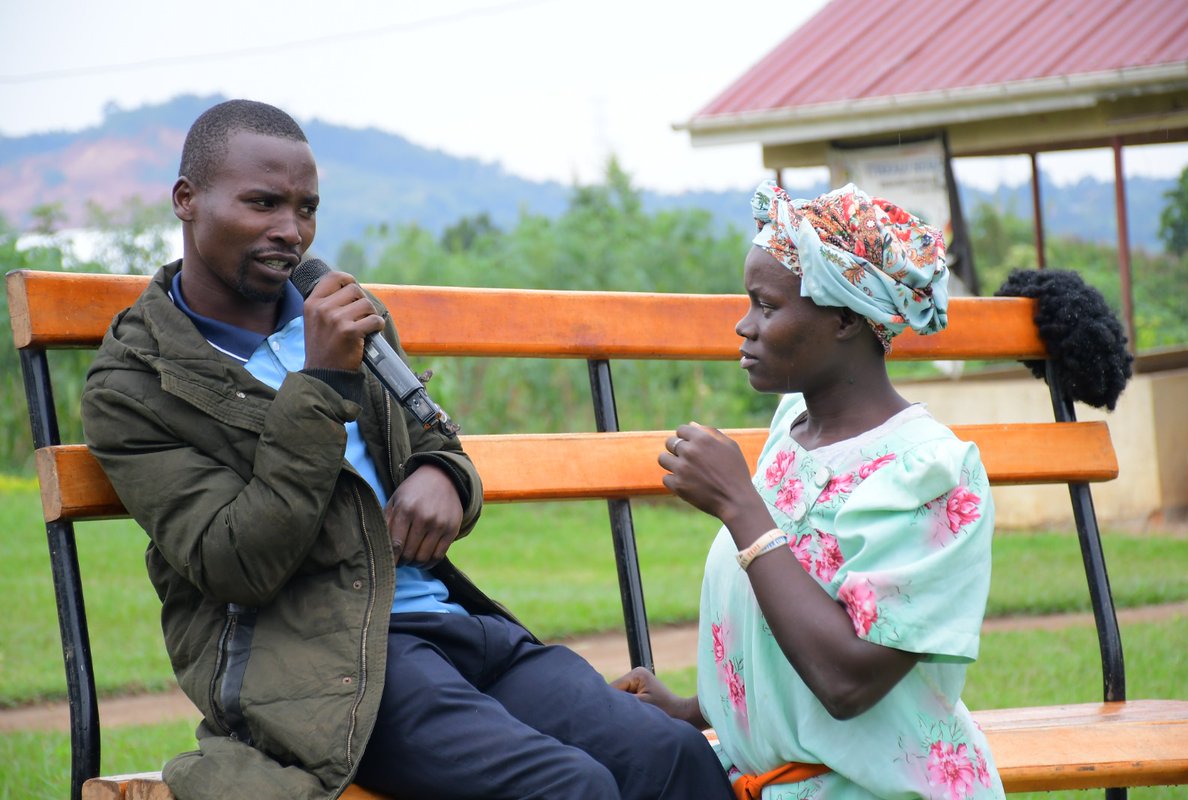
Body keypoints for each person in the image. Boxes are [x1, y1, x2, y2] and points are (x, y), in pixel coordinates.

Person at [81, 99, 735, 800]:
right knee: (568, 788)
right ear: (186, 200)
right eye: (263, 203)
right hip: (331, 667)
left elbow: (436, 436)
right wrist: (322, 382)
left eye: (306, 208)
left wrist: (443, 475)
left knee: (671, 756)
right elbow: (236, 562)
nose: (290, 231)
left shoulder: (340, 312)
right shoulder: (135, 385)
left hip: (456, 627)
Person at [613, 180, 1007, 800]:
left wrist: (742, 508)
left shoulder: (932, 475)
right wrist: (695, 708)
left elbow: (847, 682)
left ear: (846, 316)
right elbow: (781, 637)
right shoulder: (789, 430)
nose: (744, 326)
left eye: (767, 306)